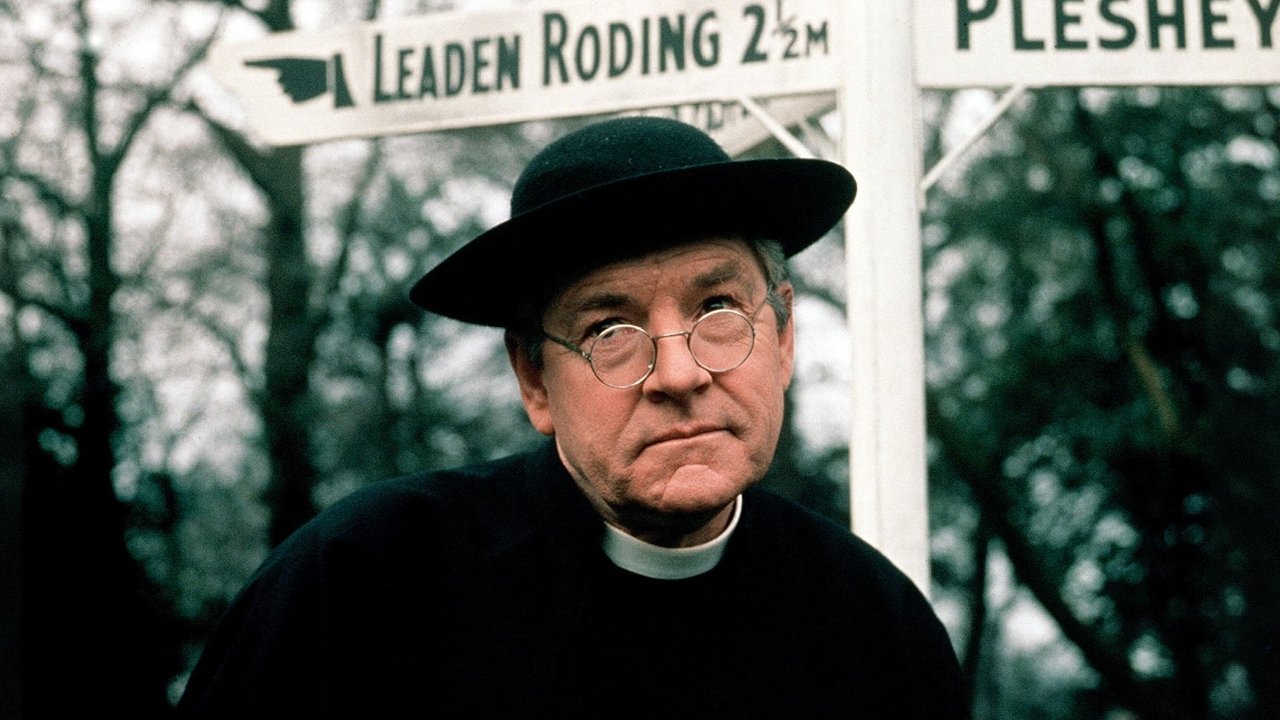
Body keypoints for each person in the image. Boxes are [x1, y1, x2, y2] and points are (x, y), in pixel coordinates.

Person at [177, 116, 970, 718]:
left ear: (784, 337)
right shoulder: (359, 587)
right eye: (610, 331)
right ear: (535, 380)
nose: (681, 374)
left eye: (718, 310)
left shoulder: (876, 626)